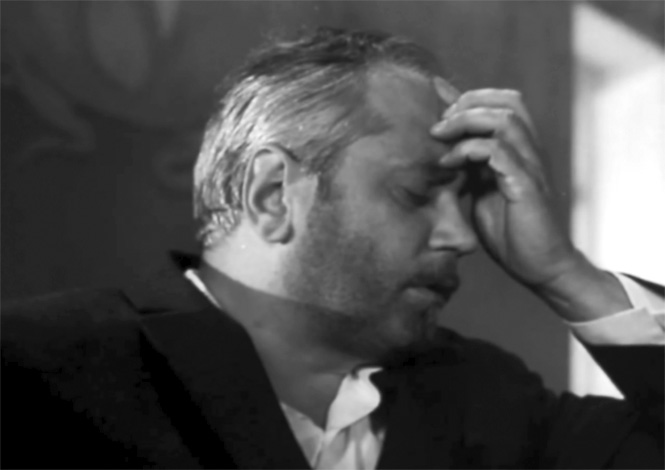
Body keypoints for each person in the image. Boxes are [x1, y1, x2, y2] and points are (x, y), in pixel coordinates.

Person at [2, 28, 663, 470]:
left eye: (467, 199)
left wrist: (564, 275)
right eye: (415, 193)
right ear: (272, 194)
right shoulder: (38, 369)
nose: (463, 237)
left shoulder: (490, 401)